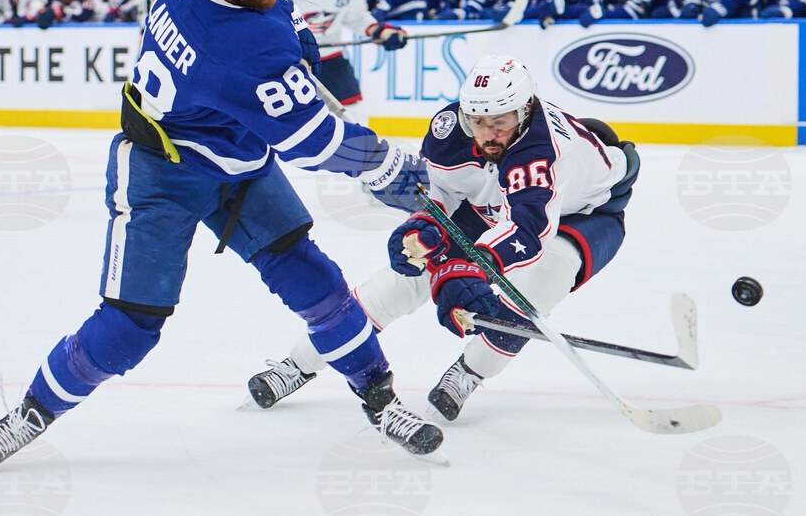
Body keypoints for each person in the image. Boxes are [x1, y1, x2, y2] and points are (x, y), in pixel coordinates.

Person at [0, 0, 443, 471]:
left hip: (236, 162)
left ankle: (380, 396)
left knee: (317, 283)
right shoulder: (241, 49)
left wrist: (293, 41)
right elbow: (316, 141)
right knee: (128, 329)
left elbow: (266, 26)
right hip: (162, 175)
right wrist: (387, 165)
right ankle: (31, 414)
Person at [246, 54, 638, 421]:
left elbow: (527, 231)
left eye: (499, 122)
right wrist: (425, 227)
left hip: (583, 214)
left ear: (525, 110)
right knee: (404, 280)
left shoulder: (543, 154)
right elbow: (442, 194)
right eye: (477, 121)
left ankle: (470, 372)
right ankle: (299, 363)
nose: (488, 134)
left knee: (538, 284)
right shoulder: (450, 130)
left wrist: (470, 269)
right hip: (490, 206)